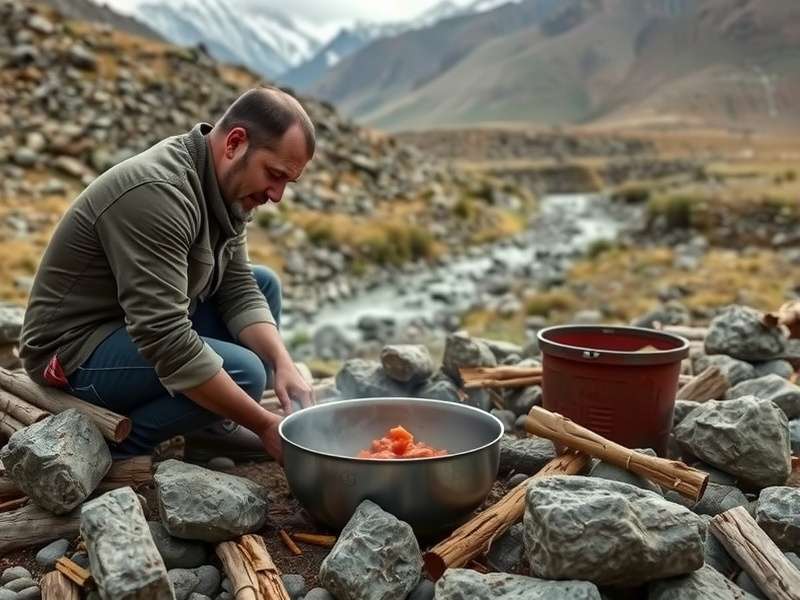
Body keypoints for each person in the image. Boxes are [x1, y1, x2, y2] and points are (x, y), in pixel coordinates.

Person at [19, 86, 315, 462]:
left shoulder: (226, 186)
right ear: (235, 143)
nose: (277, 195)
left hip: (130, 326)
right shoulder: (159, 193)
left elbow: (238, 286)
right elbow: (165, 337)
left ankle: (210, 430)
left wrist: (283, 362)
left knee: (264, 283)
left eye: (288, 182)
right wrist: (264, 424)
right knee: (246, 374)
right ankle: (119, 446)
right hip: (74, 353)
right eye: (273, 175)